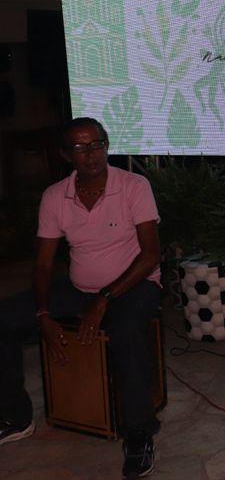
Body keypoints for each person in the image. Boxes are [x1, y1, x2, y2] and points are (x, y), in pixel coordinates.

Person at [0, 117, 162, 479]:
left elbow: (151, 255)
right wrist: (43, 313)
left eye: (96, 144)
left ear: (107, 146)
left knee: (126, 332)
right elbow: (43, 264)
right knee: (5, 319)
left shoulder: (134, 185)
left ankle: (139, 433)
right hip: (78, 288)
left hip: (134, 285)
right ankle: (15, 416)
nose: (90, 154)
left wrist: (104, 299)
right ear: (65, 155)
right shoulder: (55, 196)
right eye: (79, 147)